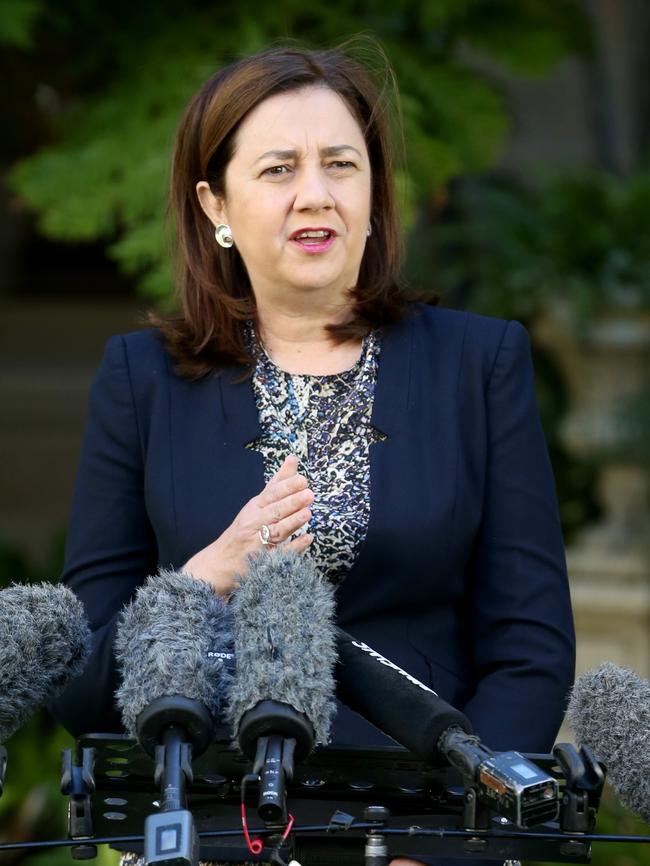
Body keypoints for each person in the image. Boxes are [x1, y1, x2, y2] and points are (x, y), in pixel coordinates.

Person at [51, 42, 575, 866]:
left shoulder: (479, 364)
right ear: (214, 204)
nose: (316, 195)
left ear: (375, 195)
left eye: (341, 164)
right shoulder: (140, 381)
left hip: (425, 827)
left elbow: (531, 647)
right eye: (278, 169)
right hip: (209, 830)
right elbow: (81, 680)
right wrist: (204, 577)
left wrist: (438, 850)